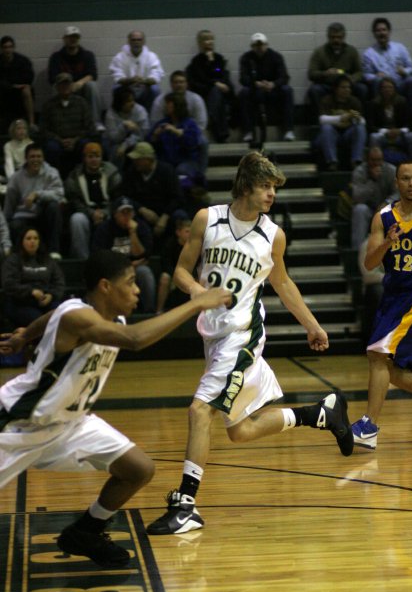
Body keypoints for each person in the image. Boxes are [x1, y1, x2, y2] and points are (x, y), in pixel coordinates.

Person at [147, 151, 353, 536]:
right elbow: (179, 270)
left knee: (199, 411)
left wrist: (313, 325)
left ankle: (186, 505)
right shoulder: (207, 219)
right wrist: (198, 293)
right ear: (245, 186)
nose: (271, 193)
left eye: (274, 187)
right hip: (214, 334)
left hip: (242, 337)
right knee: (238, 431)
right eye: (265, 185)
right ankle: (320, 414)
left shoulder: (273, 235)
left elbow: (283, 283)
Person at [0, 248, 231, 567]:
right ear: (106, 286)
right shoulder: (78, 317)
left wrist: (26, 333)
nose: (138, 290)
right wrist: (196, 303)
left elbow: (50, 316)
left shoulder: (99, 315)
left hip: (70, 424)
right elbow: (134, 339)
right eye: (131, 282)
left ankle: (86, 532)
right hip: (18, 424)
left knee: (138, 469)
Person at [351, 161, 412, 450]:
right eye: (405, 178)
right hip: (390, 294)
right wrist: (386, 244)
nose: (411, 183)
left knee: (377, 354)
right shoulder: (383, 217)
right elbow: (369, 264)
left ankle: (368, 426)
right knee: (391, 371)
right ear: (396, 182)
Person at [92, 196, 156, 313]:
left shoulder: (141, 227)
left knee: (145, 272)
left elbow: (143, 255)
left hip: (136, 268)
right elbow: (99, 257)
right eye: (123, 212)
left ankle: (149, 312)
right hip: (111, 270)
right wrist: (126, 266)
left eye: (129, 212)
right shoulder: (104, 229)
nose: (127, 216)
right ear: (115, 214)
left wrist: (132, 233)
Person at [4, 142, 64, 257]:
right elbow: (9, 205)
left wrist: (38, 194)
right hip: (23, 217)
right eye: (32, 157)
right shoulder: (16, 178)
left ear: (43, 158)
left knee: (54, 207)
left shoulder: (52, 173)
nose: (36, 159)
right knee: (14, 225)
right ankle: (20, 258)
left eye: (39, 156)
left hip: (43, 216)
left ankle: (54, 251)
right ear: (26, 158)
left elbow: (59, 193)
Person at [65, 142, 122, 259]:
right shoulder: (75, 176)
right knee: (77, 219)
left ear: (101, 158)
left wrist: (105, 213)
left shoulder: (112, 173)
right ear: (84, 158)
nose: (94, 160)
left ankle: (112, 257)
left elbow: (117, 198)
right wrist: (91, 214)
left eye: (97, 157)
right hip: (86, 212)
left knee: (118, 217)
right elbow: (75, 201)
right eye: (90, 157)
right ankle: (82, 259)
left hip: (108, 211)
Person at [122, 141, 183, 248]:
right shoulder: (132, 172)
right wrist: (142, 209)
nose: (135, 162)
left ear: (148, 159)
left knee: (180, 216)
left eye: (138, 159)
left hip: (165, 212)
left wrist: (164, 217)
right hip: (143, 214)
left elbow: (177, 197)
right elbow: (125, 196)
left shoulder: (167, 170)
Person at [2, 227, 65, 327]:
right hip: (20, 303)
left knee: (62, 315)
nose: (33, 241)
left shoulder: (48, 260)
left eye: (36, 238)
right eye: (29, 238)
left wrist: (51, 295)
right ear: (22, 241)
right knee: (39, 320)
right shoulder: (13, 260)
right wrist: (31, 291)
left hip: (46, 301)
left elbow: (59, 282)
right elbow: (8, 284)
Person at [238, 33, 295, 142]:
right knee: (244, 92)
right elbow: (243, 79)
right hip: (255, 91)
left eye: (262, 45)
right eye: (256, 45)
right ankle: (248, 131)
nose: (260, 48)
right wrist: (255, 84)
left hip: (273, 90)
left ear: (267, 45)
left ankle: (289, 130)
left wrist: (273, 84)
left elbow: (284, 77)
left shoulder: (276, 56)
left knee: (287, 90)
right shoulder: (246, 58)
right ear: (252, 46)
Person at [150, 70, 208, 174]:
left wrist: (181, 131)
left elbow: (201, 125)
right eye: (176, 82)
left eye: (181, 82)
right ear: (171, 84)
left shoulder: (196, 99)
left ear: (187, 84)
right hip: (167, 132)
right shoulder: (160, 100)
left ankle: (200, 173)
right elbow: (155, 123)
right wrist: (156, 133)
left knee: (202, 141)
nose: (179, 85)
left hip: (188, 130)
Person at [40, 72, 96, 179]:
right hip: (57, 141)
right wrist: (59, 140)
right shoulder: (48, 105)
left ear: (72, 86)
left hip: (78, 140)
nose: (65, 87)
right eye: (62, 84)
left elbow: (89, 127)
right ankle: (54, 179)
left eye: (67, 84)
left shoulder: (82, 103)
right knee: (51, 148)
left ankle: (85, 177)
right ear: (56, 87)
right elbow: (43, 129)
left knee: (87, 145)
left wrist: (75, 140)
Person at [307, 22, 367, 120]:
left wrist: (351, 79)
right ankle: (319, 122)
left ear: (343, 37)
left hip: (347, 85)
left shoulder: (352, 51)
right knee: (314, 90)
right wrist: (325, 73)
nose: (336, 40)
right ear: (328, 37)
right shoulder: (319, 52)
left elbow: (359, 72)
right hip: (327, 85)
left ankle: (360, 119)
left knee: (362, 89)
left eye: (339, 37)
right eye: (333, 37)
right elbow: (311, 73)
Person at [47, 26, 103, 129]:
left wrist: (79, 83)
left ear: (78, 39)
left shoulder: (87, 55)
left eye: (75, 37)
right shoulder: (56, 57)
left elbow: (93, 75)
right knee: (54, 88)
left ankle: (95, 122)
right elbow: (52, 78)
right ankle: (56, 124)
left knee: (92, 86)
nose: (73, 39)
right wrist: (67, 84)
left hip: (81, 88)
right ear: (64, 39)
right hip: (63, 86)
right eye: (70, 37)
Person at [362, 18, 412, 115]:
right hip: (382, 86)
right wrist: (376, 76)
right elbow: (366, 75)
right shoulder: (369, 53)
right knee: (377, 81)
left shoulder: (400, 48)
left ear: (389, 32)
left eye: (384, 30)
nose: (381, 33)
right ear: (374, 34)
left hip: (399, 84)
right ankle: (380, 120)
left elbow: (411, 68)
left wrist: (404, 71)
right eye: (378, 30)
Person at [186, 30, 235, 143]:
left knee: (219, 95)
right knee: (217, 93)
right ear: (200, 43)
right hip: (203, 91)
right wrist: (215, 81)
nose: (209, 42)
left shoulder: (219, 59)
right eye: (206, 40)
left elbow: (220, 73)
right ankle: (222, 134)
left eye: (211, 39)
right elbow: (202, 78)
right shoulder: (196, 61)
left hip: (219, 92)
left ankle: (212, 120)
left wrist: (214, 64)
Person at [148, 93, 203, 188]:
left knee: (181, 171)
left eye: (169, 104)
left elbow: (193, 143)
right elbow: (150, 143)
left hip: (186, 160)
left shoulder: (190, 124)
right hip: (166, 160)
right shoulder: (162, 123)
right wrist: (155, 135)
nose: (166, 106)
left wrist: (177, 132)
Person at [316, 74, 366, 171]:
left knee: (360, 127)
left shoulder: (354, 101)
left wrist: (355, 119)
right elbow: (322, 119)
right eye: (343, 87)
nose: (347, 90)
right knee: (326, 128)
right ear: (336, 89)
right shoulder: (327, 100)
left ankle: (356, 161)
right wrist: (342, 118)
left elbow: (363, 121)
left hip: (348, 134)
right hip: (331, 135)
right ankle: (332, 161)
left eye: (349, 87)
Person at [351, 146, 398, 249]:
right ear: (367, 160)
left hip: (385, 207)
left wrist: (386, 203)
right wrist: (372, 181)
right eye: (373, 160)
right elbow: (357, 196)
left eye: (379, 160)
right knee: (359, 210)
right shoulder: (359, 172)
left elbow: (398, 193)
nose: (377, 163)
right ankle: (357, 250)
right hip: (368, 208)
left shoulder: (391, 170)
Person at [367, 77, 412, 165]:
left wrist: (399, 131)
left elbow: (409, 123)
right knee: (374, 137)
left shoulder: (402, 102)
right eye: (384, 87)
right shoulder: (374, 104)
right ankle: (375, 164)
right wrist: (386, 131)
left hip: (400, 134)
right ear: (380, 90)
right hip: (383, 135)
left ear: (394, 89)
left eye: (390, 87)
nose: (387, 90)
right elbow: (370, 125)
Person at [109, 31, 164, 114]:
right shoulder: (119, 57)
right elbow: (117, 77)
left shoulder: (152, 56)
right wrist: (131, 80)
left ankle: (151, 118)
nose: (136, 42)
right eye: (133, 40)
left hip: (145, 88)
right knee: (116, 88)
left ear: (144, 41)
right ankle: (119, 115)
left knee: (155, 89)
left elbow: (156, 76)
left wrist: (144, 81)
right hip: (127, 88)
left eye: (139, 40)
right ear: (129, 41)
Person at [104, 86, 149, 168]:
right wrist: (123, 126)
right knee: (115, 150)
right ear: (120, 103)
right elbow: (113, 138)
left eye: (133, 100)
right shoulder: (111, 113)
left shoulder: (140, 111)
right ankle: (116, 176)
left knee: (138, 148)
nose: (132, 103)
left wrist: (125, 144)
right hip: (116, 143)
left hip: (135, 141)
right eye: (128, 101)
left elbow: (143, 135)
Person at [155, 218, 191, 313]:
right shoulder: (170, 245)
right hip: (172, 275)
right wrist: (176, 277)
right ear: (178, 232)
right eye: (187, 231)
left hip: (190, 275)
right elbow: (166, 264)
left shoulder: (194, 246)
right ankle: (159, 311)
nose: (190, 234)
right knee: (164, 277)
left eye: (192, 231)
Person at [0, 36, 35, 129]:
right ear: (1, 48)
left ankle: (31, 123)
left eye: (10, 47)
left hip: (20, 89)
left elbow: (29, 76)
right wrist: (11, 86)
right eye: (5, 47)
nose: (8, 50)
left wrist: (17, 85)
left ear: (13, 47)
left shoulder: (23, 60)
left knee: (27, 90)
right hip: (4, 90)